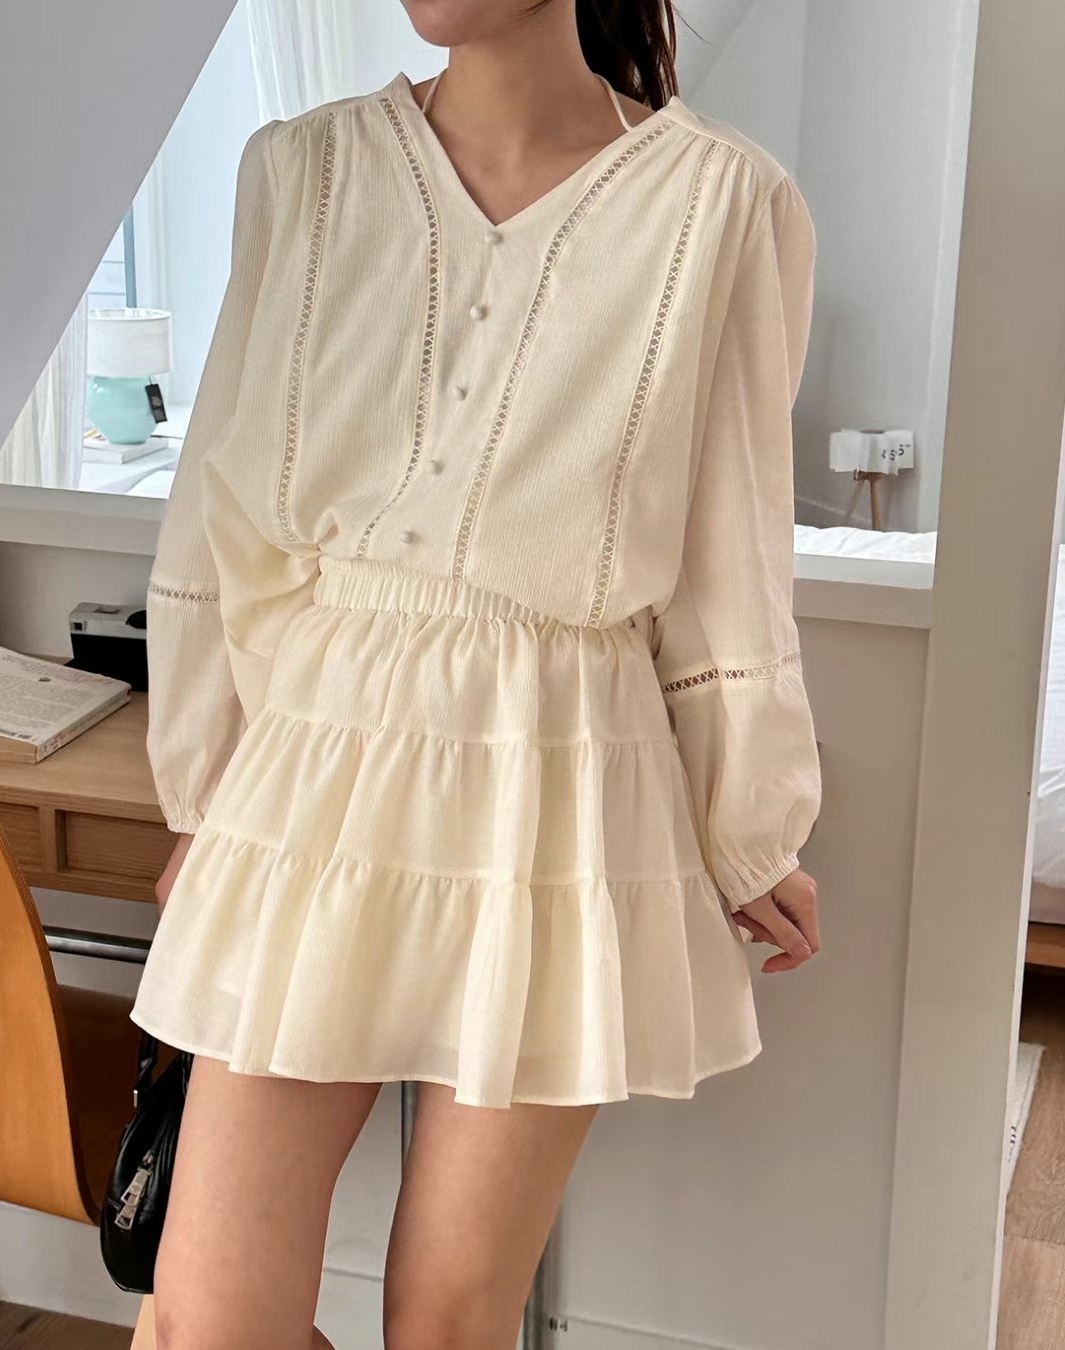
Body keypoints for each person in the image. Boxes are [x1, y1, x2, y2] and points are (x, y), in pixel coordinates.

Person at [131, 1, 822, 1346]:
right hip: (318, 760)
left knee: (451, 1317)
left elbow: (729, 555)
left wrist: (749, 829)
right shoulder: (303, 170)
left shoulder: (721, 204)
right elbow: (224, 519)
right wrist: (209, 795)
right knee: (210, 1317)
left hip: (561, 774)